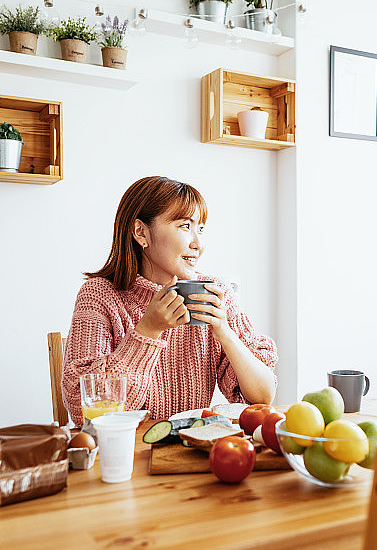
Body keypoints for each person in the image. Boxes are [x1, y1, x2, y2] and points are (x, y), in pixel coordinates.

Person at [63, 176, 277, 426]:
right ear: (141, 233)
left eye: (201, 228)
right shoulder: (99, 295)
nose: (198, 244)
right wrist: (148, 330)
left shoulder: (213, 294)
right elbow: (82, 411)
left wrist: (225, 334)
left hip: (190, 448)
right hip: (124, 450)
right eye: (185, 226)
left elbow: (263, 397)